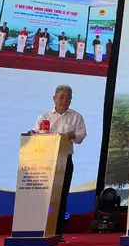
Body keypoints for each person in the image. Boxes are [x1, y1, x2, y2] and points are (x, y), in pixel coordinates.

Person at [32, 85, 87, 236]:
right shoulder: (44, 117)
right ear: (54, 99)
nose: (64, 100)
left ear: (71, 100)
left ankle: (57, 233)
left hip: (64, 161)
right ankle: (38, 229)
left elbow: (81, 136)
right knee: (43, 195)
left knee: (61, 197)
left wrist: (74, 136)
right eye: (61, 97)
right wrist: (32, 134)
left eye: (68, 98)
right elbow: (34, 133)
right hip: (45, 162)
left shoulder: (76, 117)